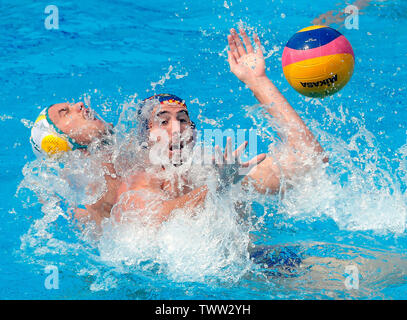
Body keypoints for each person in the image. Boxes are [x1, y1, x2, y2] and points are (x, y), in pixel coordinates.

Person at [113, 28, 328, 225]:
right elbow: (153, 220)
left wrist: (258, 82)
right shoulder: (139, 181)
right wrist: (216, 188)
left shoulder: (214, 169)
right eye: (163, 121)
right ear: (146, 136)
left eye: (183, 119)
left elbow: (308, 161)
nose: (177, 129)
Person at [30, 102, 121, 226]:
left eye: (71, 105)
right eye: (65, 112)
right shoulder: (100, 202)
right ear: (60, 141)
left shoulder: (126, 153)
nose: (80, 104)